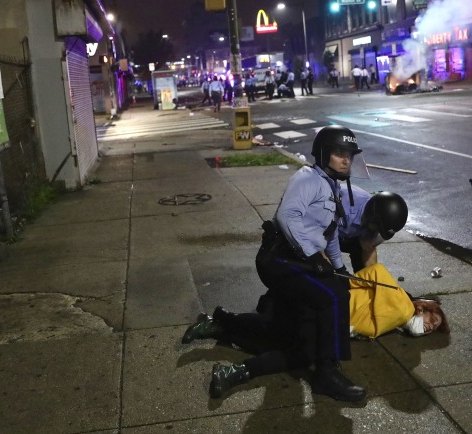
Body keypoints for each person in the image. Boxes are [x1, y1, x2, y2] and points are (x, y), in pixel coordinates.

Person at [182, 263, 450, 398]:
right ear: (423, 307)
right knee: (288, 343)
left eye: (430, 330)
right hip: (322, 310)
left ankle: (219, 329)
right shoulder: (401, 303)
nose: (427, 328)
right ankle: (223, 332)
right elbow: (373, 272)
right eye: (431, 320)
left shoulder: (396, 319)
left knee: (281, 342)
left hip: (327, 317)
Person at [247, 125, 368, 402]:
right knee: (332, 296)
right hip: (280, 258)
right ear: (323, 153)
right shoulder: (308, 179)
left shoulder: (331, 185)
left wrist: (339, 268)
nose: (346, 159)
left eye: (349, 154)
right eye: (339, 153)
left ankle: (223, 322)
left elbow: (331, 233)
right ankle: (326, 374)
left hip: (299, 260)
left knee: (292, 323)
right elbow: (287, 218)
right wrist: (314, 258)